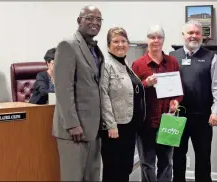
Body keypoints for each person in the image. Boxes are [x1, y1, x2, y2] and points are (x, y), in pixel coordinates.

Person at [169, 20, 217, 182]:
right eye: (190, 33)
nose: (193, 36)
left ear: (202, 36)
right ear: (183, 36)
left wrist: (216, 112)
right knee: (177, 157)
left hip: (202, 117)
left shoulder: (211, 58)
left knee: (203, 157)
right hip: (177, 117)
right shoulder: (172, 57)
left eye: (197, 33)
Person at [52, 5, 104, 181]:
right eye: (89, 18)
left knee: (92, 177)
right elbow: (63, 88)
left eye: (98, 20)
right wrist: (72, 124)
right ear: (79, 20)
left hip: (94, 128)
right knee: (73, 178)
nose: (94, 23)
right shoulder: (68, 45)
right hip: (74, 130)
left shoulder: (95, 49)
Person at [132, 25, 183, 182]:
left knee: (166, 162)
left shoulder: (172, 62)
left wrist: (176, 101)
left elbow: (179, 91)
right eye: (152, 37)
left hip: (167, 121)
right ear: (147, 40)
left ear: (163, 40)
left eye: (159, 37)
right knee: (147, 164)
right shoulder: (138, 64)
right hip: (145, 123)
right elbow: (132, 93)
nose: (156, 40)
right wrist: (145, 83)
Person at [99, 27, 146, 182]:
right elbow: (103, 95)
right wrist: (111, 125)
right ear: (108, 45)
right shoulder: (106, 64)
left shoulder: (124, 64)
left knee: (125, 168)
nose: (120, 44)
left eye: (123, 41)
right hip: (115, 128)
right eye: (116, 41)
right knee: (114, 170)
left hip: (129, 126)